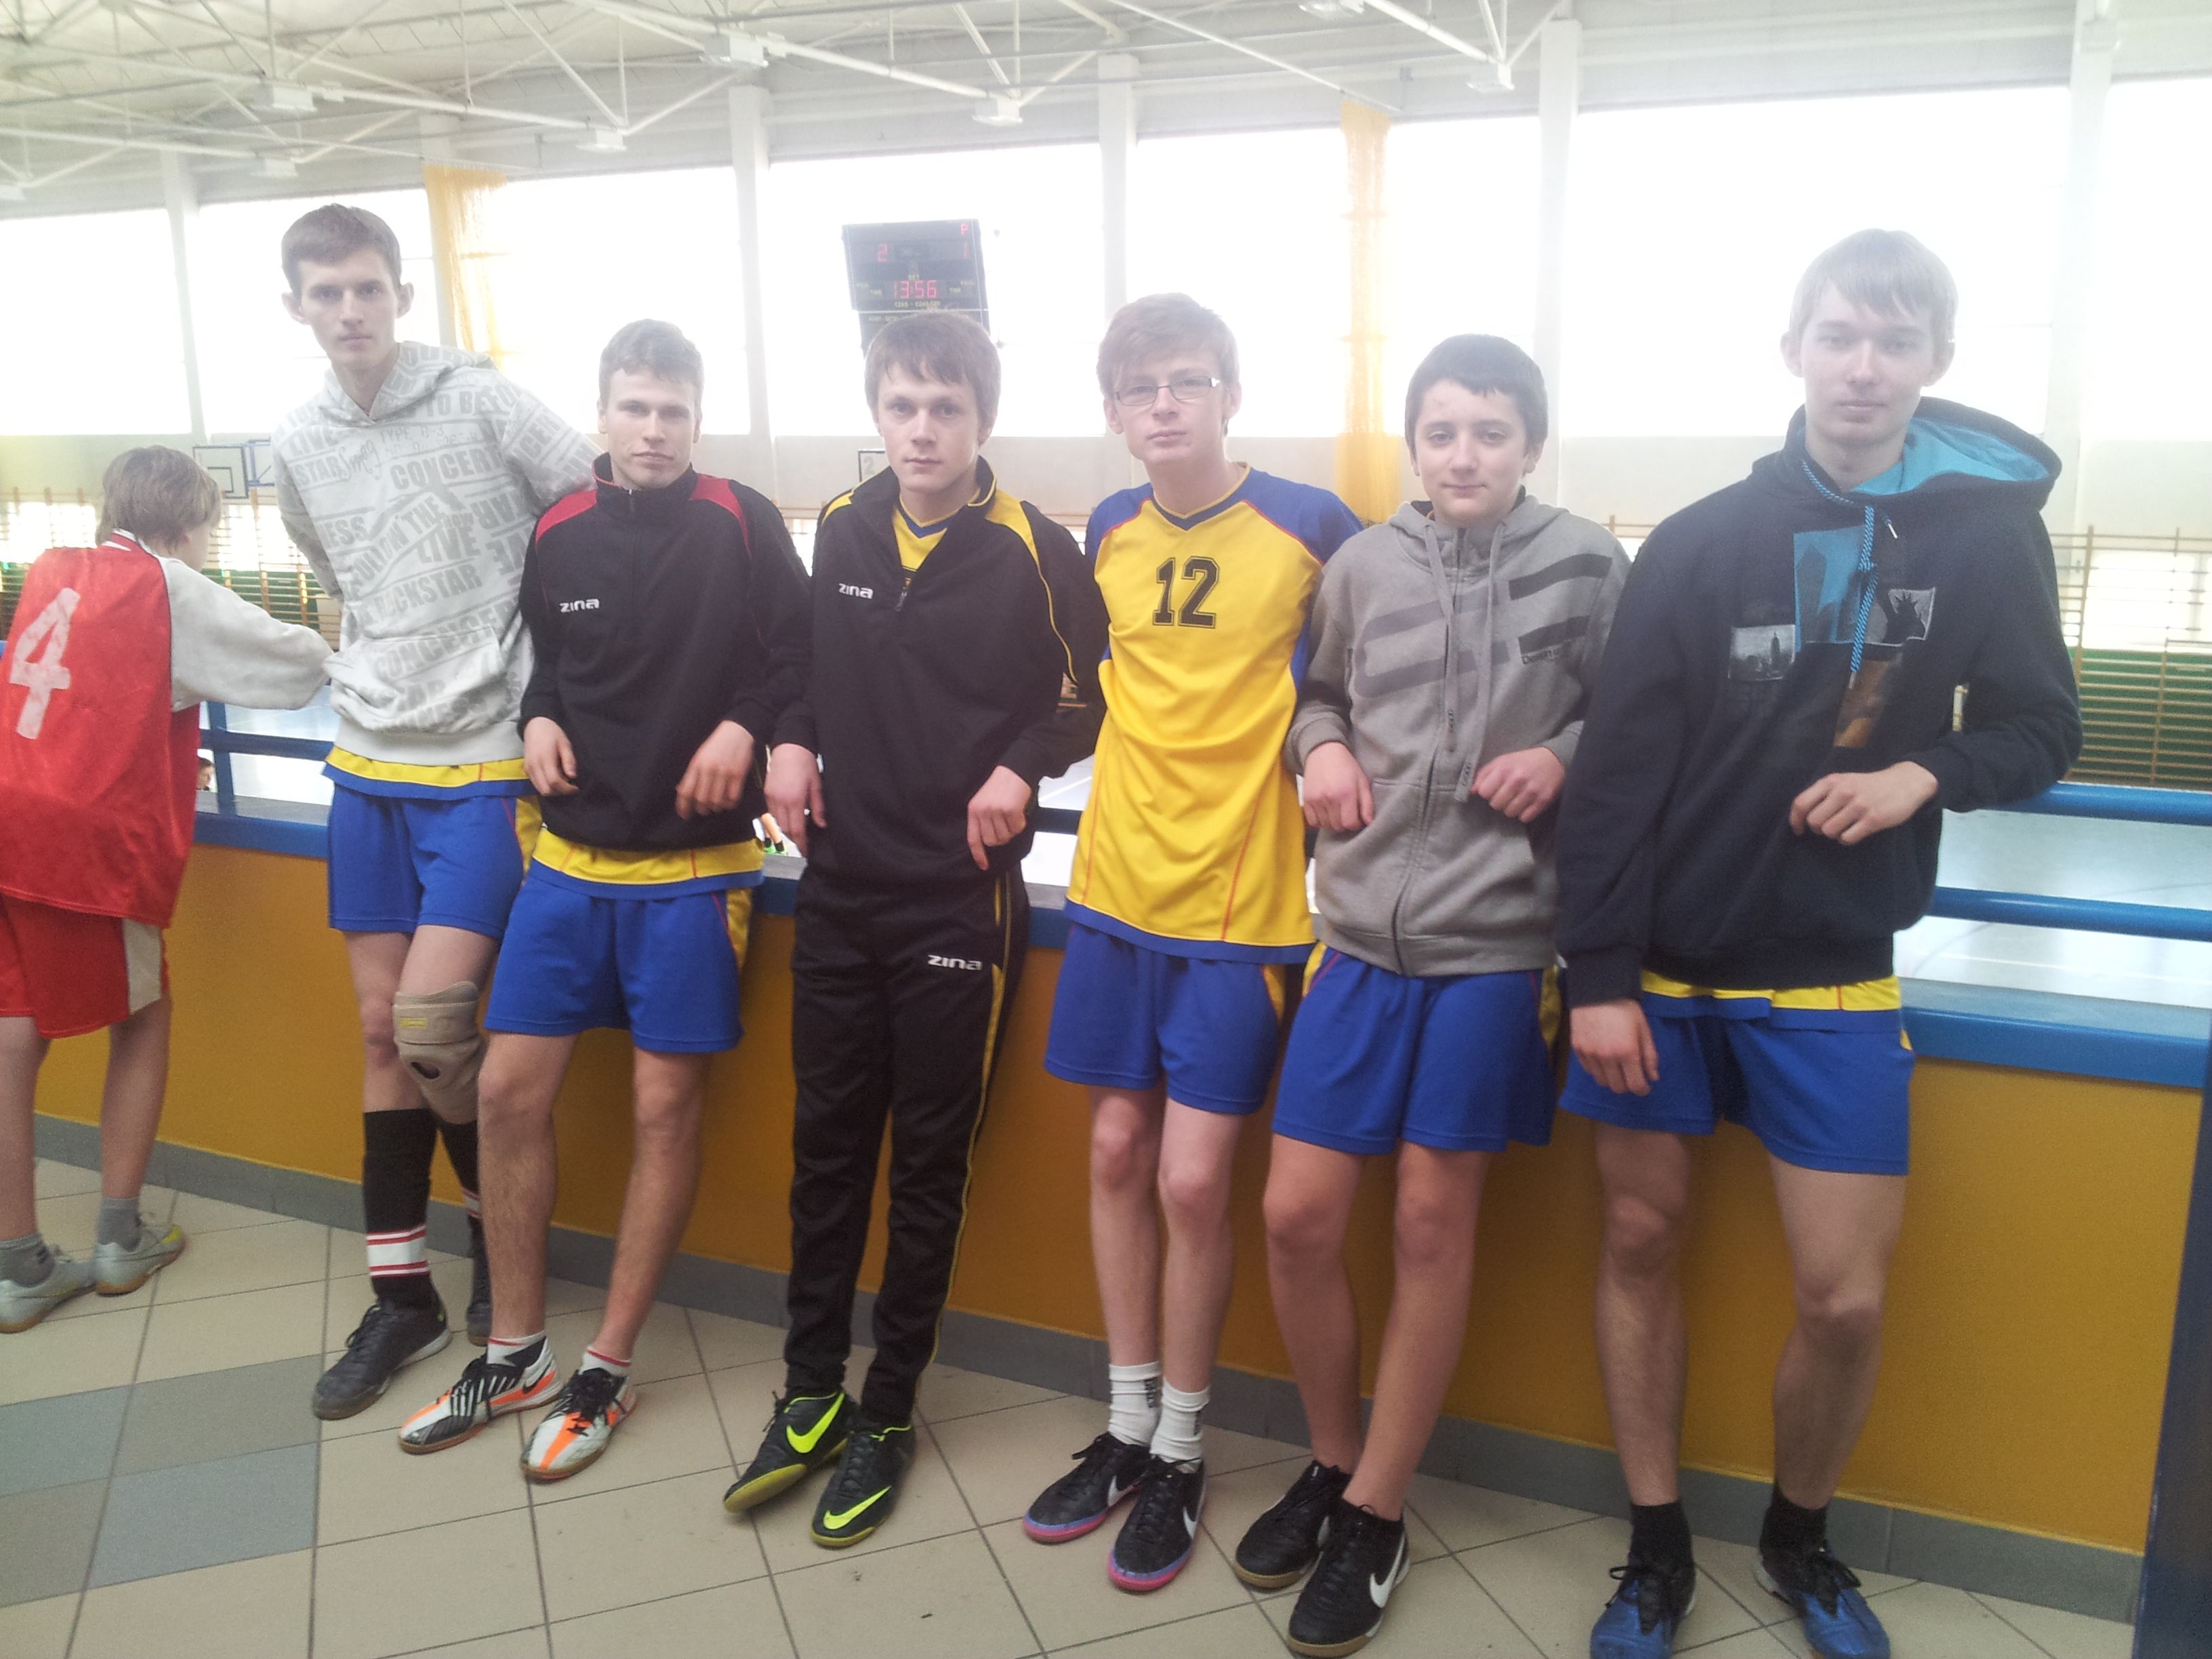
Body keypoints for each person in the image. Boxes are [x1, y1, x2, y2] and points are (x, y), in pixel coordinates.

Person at [1555, 229, 2081, 1659]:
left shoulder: (1989, 536)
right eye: (1839, 336)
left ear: (1936, 361)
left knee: (1844, 1297)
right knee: (1641, 1239)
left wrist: (1927, 775)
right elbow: (1615, 778)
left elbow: (2045, 727)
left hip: (1835, 976)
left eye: (1894, 342)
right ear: (1793, 348)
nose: (1863, 368)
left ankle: (1798, 1535)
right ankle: (1655, 1545)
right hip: (1662, 975)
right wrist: (1596, 975)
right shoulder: (1700, 541)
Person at [1244, 336, 1628, 1655]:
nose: (1464, 455)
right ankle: (1333, 1460)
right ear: (1415, 444)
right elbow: (1315, 696)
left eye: (1492, 432)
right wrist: (1320, 750)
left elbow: (1637, 722)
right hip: (1356, 940)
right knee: (1296, 1216)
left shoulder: (1589, 564)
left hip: (1495, 949)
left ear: (1533, 445)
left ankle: (1379, 1510)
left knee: (1426, 1220)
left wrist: (1564, 754)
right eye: (1443, 431)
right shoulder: (1363, 564)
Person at [395, 321, 810, 1479]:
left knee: (662, 1111)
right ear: (604, 414)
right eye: (636, 407)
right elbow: (547, 667)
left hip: (696, 870)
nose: (654, 429)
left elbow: (799, 660)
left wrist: (746, 727)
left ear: (698, 419)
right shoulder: (560, 531)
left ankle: (608, 1366)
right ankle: (517, 1350)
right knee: (504, 1092)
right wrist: (537, 717)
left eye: (674, 411)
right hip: (569, 864)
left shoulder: (743, 523)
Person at [726, 310, 1107, 1547]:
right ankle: (809, 1394)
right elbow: (800, 663)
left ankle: (888, 1411)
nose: (924, 429)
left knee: (929, 1166)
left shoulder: (1035, 548)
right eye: (903, 405)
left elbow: (1086, 695)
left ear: (983, 419)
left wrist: (1019, 766)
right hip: (841, 888)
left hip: (957, 899)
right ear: (877, 413)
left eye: (947, 407)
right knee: (827, 1150)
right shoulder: (842, 525)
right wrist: (791, 740)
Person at [1026, 293, 1361, 1593]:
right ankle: (1124, 1428)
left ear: (1230, 393)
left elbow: (1353, 688)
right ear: (1115, 413)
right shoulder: (1106, 529)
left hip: (1242, 905)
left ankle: (1182, 1447)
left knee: (1190, 1181)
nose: (1164, 405)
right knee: (1116, 1151)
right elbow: (1081, 684)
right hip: (1116, 886)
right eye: (1140, 389)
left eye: (1187, 382)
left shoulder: (1314, 526)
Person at [270, 203, 596, 1419]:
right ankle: (401, 1294)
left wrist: (565, 670)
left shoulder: (482, 398)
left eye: (367, 287)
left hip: (486, 757)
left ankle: (492, 1238)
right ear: (297, 307)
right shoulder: (296, 438)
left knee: (432, 1024)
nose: (349, 310)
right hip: (368, 757)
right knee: (379, 1030)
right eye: (326, 292)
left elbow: (592, 506)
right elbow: (332, 568)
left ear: (401, 294)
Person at [0, 447, 331, 1330]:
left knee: (13, 1027)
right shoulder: (165, 584)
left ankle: (18, 1263)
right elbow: (291, 662)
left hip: (11, 814)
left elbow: (89, 694)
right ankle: (120, 1237)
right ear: (189, 526)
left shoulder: (51, 569)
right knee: (143, 1015)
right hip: (86, 844)